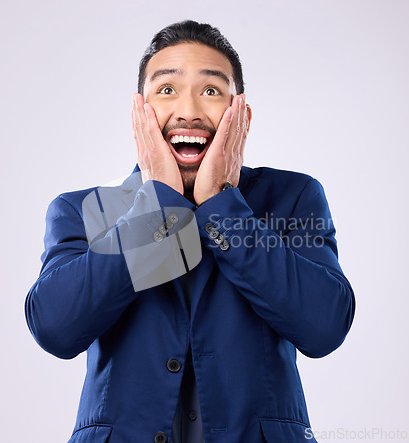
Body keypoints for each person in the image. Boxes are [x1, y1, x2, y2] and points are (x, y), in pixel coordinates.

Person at [25, 20, 355, 443]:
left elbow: (324, 326)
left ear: (243, 116)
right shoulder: (82, 210)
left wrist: (221, 203)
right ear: (138, 113)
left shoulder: (292, 197)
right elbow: (56, 329)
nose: (190, 111)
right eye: (166, 90)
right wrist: (159, 201)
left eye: (212, 91)